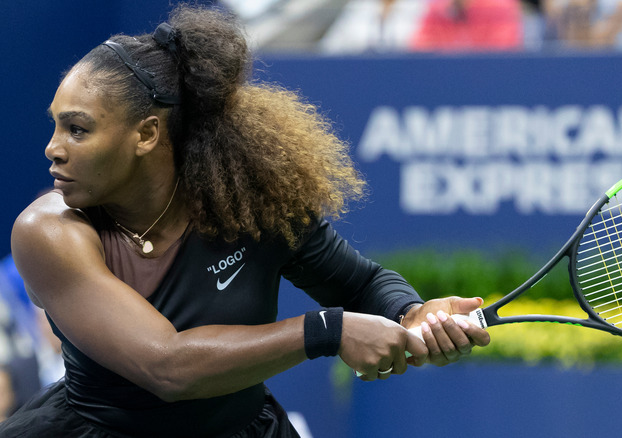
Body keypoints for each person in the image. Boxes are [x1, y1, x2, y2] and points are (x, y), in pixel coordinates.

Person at [0, 4, 489, 437]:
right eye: (56, 124)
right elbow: (167, 367)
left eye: (77, 129)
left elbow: (361, 285)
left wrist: (411, 313)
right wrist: (327, 331)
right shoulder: (47, 231)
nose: (53, 148)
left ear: (146, 134)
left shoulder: (250, 204)